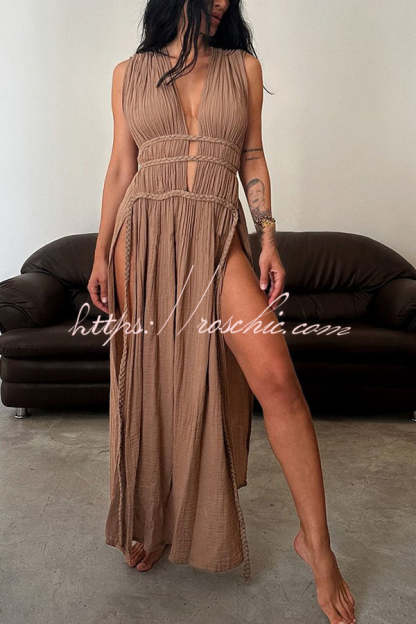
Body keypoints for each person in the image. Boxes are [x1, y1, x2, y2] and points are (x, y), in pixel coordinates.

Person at [88, 2, 356, 623]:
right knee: (151, 386)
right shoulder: (128, 73)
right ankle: (150, 521)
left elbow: (252, 156)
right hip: (142, 235)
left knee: (277, 381)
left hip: (216, 230)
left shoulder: (243, 68)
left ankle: (317, 545)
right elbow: (121, 165)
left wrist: (268, 236)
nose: (221, 3)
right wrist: (100, 253)